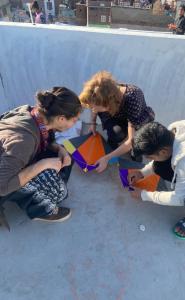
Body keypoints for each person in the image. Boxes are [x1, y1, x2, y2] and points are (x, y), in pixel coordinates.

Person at [0, 87, 82, 223]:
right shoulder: (24, 140)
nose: (74, 124)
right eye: (74, 120)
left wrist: (59, 149)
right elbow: (2, 186)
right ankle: (42, 209)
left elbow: (44, 139)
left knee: (64, 157)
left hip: (9, 160)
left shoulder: (32, 113)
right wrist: (42, 165)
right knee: (51, 179)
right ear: (61, 119)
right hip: (3, 180)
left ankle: (32, 196)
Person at [79, 71, 155, 173]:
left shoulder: (133, 98)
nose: (93, 110)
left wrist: (107, 158)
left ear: (107, 104)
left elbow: (130, 141)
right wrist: (93, 123)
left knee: (135, 145)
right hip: (116, 113)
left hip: (135, 117)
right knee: (116, 135)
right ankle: (113, 146)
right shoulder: (102, 92)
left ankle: (133, 152)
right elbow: (94, 106)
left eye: (95, 108)